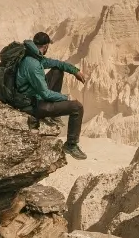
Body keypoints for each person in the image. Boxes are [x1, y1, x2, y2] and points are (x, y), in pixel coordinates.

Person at [16, 31, 89, 159]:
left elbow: (57, 64)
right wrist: (67, 97)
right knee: (77, 107)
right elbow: (45, 94)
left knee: (57, 71)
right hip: (32, 106)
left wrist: (75, 71)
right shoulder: (33, 65)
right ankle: (71, 145)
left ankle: (53, 116)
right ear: (45, 47)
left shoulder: (33, 56)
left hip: (34, 96)